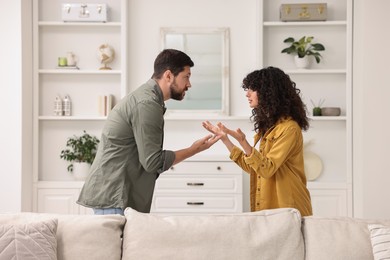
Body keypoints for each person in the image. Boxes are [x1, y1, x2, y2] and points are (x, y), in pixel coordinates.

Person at [77, 49, 220, 215]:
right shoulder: (147, 104)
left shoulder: (147, 99)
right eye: (186, 76)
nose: (189, 84)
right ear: (168, 76)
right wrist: (194, 150)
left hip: (114, 195)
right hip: (114, 197)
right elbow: (153, 162)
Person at [203, 66, 313, 216]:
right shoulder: (267, 128)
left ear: (269, 92)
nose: (247, 94)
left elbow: (267, 169)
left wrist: (243, 142)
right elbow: (254, 169)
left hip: (288, 208)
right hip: (269, 209)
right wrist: (226, 140)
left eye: (252, 89)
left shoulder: (289, 129)